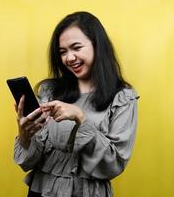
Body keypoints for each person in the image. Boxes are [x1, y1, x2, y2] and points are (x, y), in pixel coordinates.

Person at [13, 11, 139, 197]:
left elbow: (114, 164)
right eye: (63, 52)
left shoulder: (122, 97)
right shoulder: (48, 91)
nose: (69, 58)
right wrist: (24, 136)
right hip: (41, 191)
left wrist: (80, 117)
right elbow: (28, 163)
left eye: (76, 47)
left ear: (98, 46)